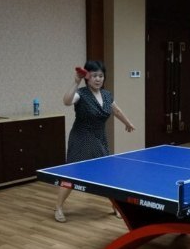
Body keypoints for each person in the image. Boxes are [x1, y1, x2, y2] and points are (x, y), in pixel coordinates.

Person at [54, 60, 135, 222]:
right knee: (73, 174)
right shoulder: (81, 94)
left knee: (107, 173)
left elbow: (116, 110)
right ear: (87, 78)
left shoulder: (106, 95)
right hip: (81, 137)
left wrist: (127, 123)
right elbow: (66, 101)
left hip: (99, 137)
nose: (98, 79)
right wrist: (75, 82)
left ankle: (116, 206)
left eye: (101, 76)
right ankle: (58, 207)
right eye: (94, 76)